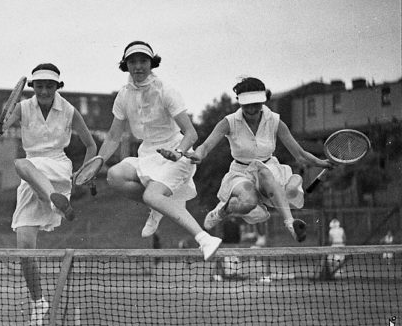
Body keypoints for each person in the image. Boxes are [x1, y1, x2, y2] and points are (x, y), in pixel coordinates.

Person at [0, 63, 96, 326]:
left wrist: (87, 170)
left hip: (58, 169)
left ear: (58, 87)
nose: (44, 90)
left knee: (20, 163)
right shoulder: (23, 108)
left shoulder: (70, 111)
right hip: (32, 177)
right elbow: (1, 127)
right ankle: (38, 302)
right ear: (33, 87)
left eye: (50, 85)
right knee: (24, 249)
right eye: (39, 85)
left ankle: (53, 199)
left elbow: (92, 145)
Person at [96, 41, 221, 260]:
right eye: (132, 62)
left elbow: (191, 133)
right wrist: (97, 161)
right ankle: (160, 206)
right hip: (147, 154)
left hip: (177, 155)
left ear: (151, 63)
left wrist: (179, 152)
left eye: (143, 61)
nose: (138, 66)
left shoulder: (166, 91)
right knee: (114, 176)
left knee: (152, 195)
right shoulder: (123, 95)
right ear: (126, 65)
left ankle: (204, 238)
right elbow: (114, 136)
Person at [189, 77, 332, 242]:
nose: (251, 109)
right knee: (247, 203)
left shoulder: (275, 121)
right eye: (246, 104)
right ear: (239, 102)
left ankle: (290, 224)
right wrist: (198, 155)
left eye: (255, 103)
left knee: (268, 173)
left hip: (269, 171)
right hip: (241, 173)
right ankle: (221, 211)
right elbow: (205, 146)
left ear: (263, 100)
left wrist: (323, 163)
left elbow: (299, 154)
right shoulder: (228, 122)